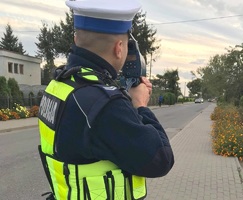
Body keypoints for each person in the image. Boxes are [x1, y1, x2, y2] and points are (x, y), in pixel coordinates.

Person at [37, 0, 174, 199]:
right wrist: (140, 105)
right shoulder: (105, 104)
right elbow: (160, 160)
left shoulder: (60, 85)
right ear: (119, 48)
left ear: (76, 38)